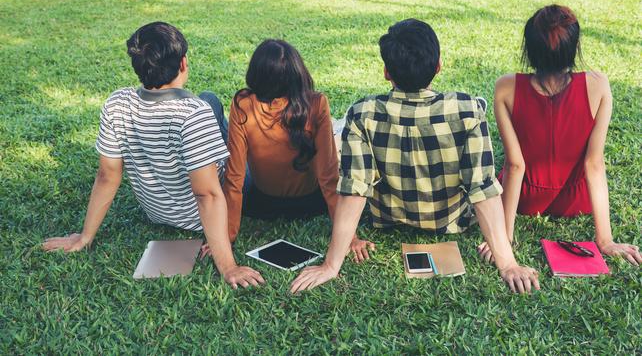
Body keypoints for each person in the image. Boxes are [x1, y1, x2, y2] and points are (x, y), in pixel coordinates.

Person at [291, 19, 540, 294]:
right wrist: (507, 264)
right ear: (438, 66)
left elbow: (355, 190)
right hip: (451, 222)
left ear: (387, 72)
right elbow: (482, 188)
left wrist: (331, 265)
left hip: (388, 219)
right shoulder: (468, 110)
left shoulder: (362, 113)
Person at [43, 22, 265, 289]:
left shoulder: (117, 102)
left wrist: (84, 237)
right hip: (199, 218)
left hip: (158, 212)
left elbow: (106, 176)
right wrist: (228, 266)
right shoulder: (194, 113)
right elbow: (207, 194)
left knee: (209, 99)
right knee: (242, 147)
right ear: (183, 63)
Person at [478, 5, 641, 265]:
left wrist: (505, 236)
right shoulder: (599, 85)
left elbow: (515, 165)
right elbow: (594, 164)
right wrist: (605, 241)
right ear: (574, 49)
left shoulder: (505, 88)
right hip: (577, 201)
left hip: (526, 201)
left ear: (529, 51)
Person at [223, 39, 373, 260]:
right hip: (312, 204)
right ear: (298, 73)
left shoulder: (242, 103)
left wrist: (227, 236)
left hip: (261, 204)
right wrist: (349, 236)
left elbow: (234, 177)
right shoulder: (316, 102)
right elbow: (328, 176)